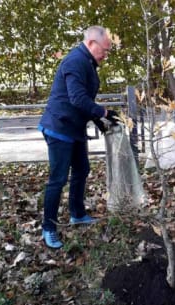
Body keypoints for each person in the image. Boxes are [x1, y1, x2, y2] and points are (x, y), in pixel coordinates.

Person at [38, 26, 118, 249]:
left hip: (74, 129)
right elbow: (76, 98)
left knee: (82, 170)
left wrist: (99, 121)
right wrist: (103, 112)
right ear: (92, 43)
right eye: (105, 50)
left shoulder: (88, 62)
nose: (105, 55)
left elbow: (82, 101)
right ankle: (49, 228)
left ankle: (77, 214)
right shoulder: (75, 61)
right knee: (58, 179)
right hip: (59, 128)